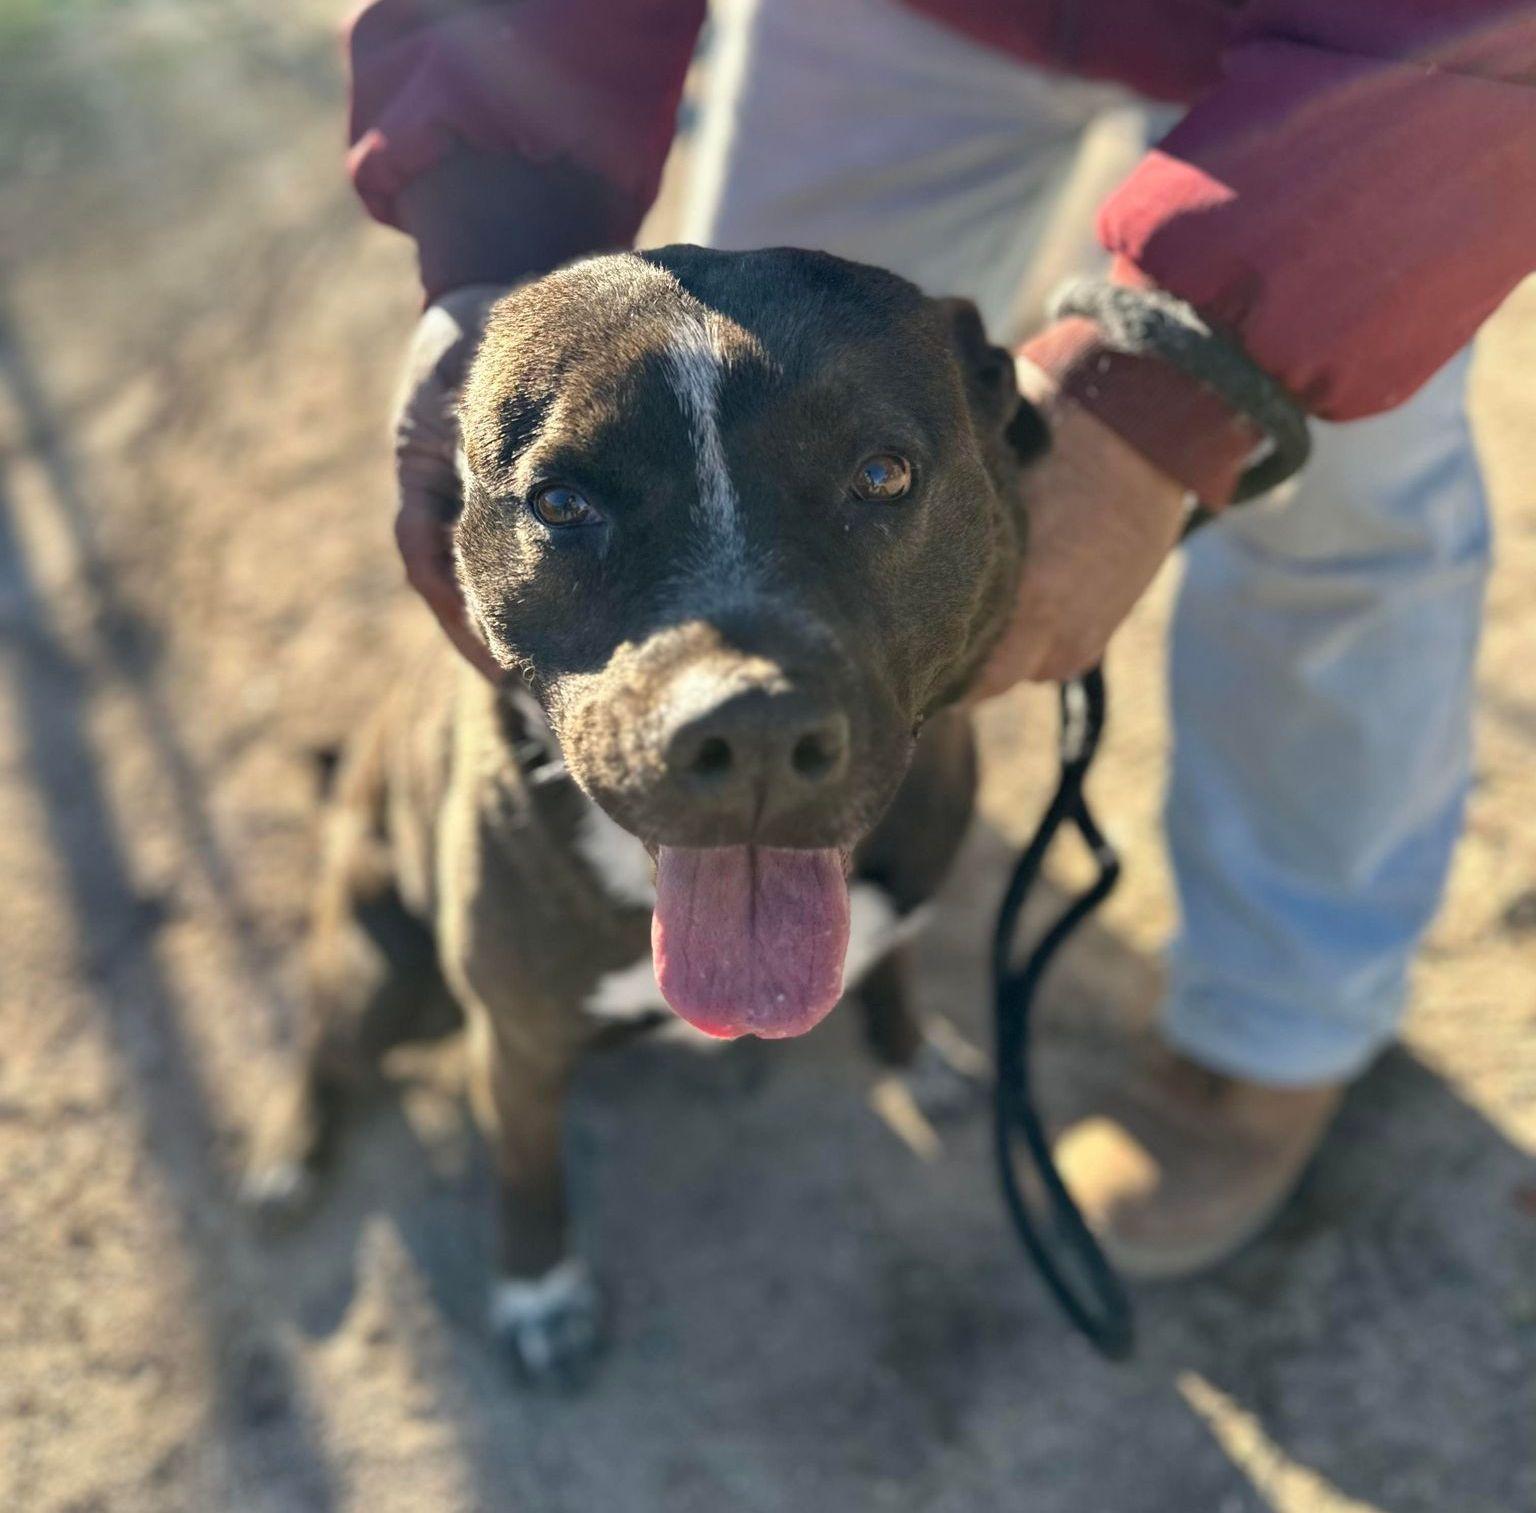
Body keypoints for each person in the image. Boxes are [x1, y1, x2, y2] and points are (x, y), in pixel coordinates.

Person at [346, 0, 1536, 1277]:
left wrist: (1176, 384)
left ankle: (1274, 1036)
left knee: (1338, 515)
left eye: (877, 479)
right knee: (752, 362)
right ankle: (835, 861)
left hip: (1390, 32)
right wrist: (493, 233)